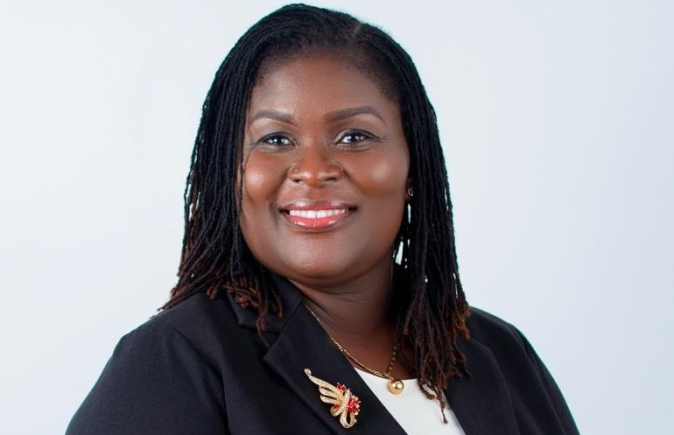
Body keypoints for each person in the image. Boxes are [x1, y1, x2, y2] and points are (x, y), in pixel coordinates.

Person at [66, 4, 579, 435]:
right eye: (276, 139)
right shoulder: (174, 362)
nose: (313, 171)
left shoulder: (497, 351)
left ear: (413, 166)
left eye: (355, 136)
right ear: (230, 173)